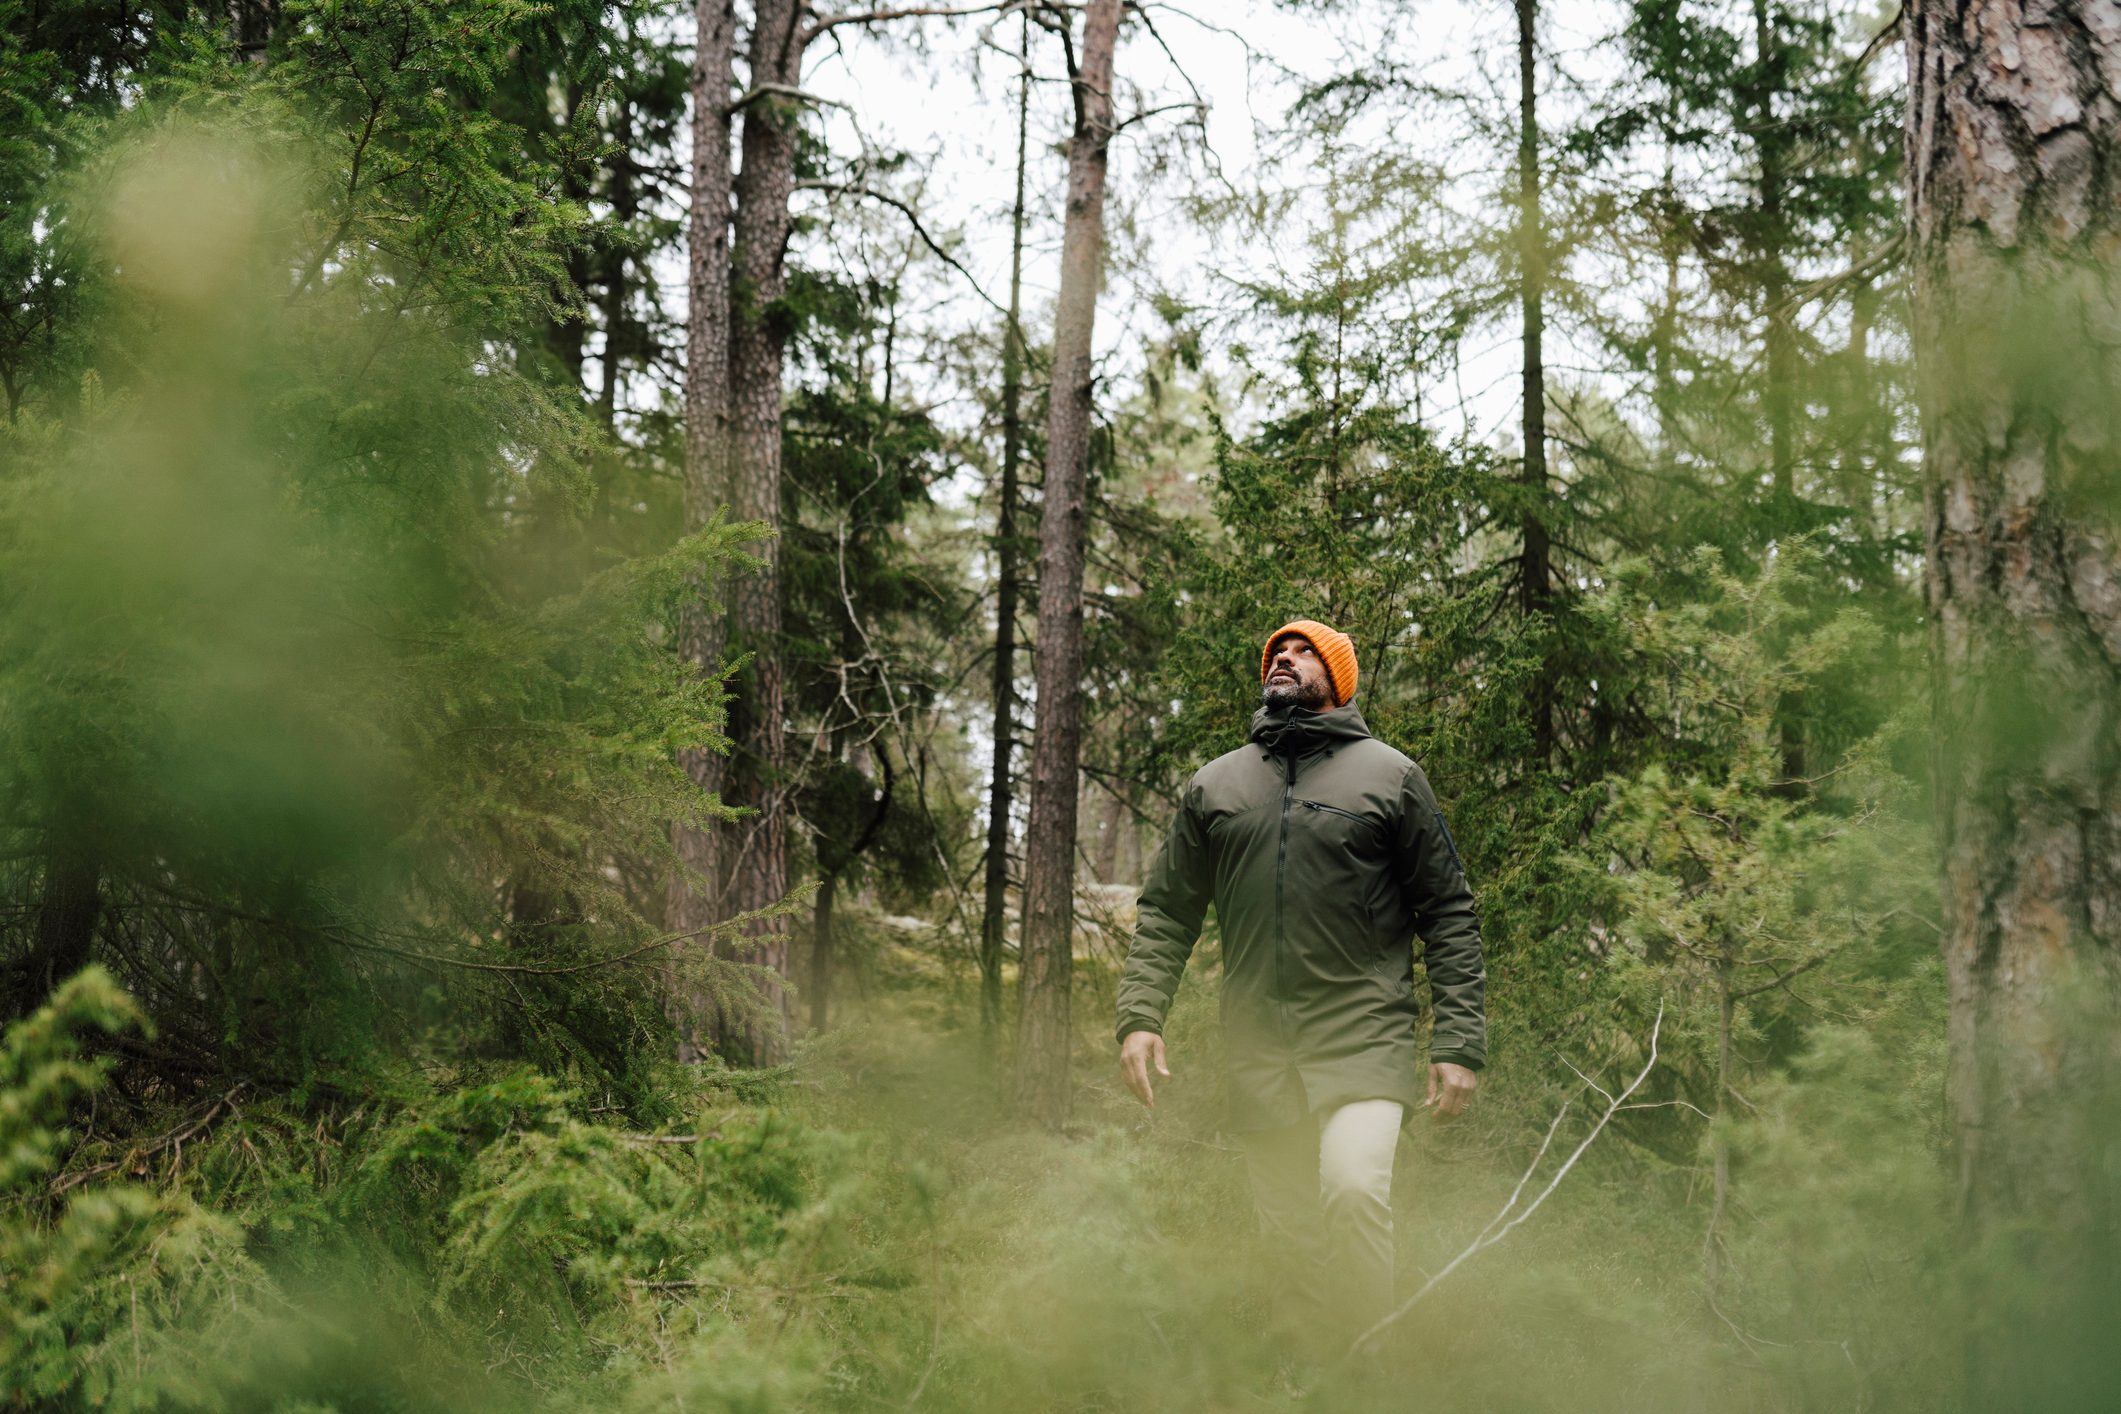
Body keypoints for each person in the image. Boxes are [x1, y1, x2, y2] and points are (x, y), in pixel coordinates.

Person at [1114, 619, 1487, 1345]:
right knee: (1284, 1235)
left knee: (1350, 1191)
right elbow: (1166, 911)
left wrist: (1458, 1043)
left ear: (1337, 677)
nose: (1283, 657)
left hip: (1363, 1037)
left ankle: (1366, 1376)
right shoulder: (1217, 784)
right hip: (1259, 1046)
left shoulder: (1390, 775)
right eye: (1275, 652)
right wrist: (1139, 1016)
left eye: (1303, 651)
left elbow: (1447, 910)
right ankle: (1306, 1379)